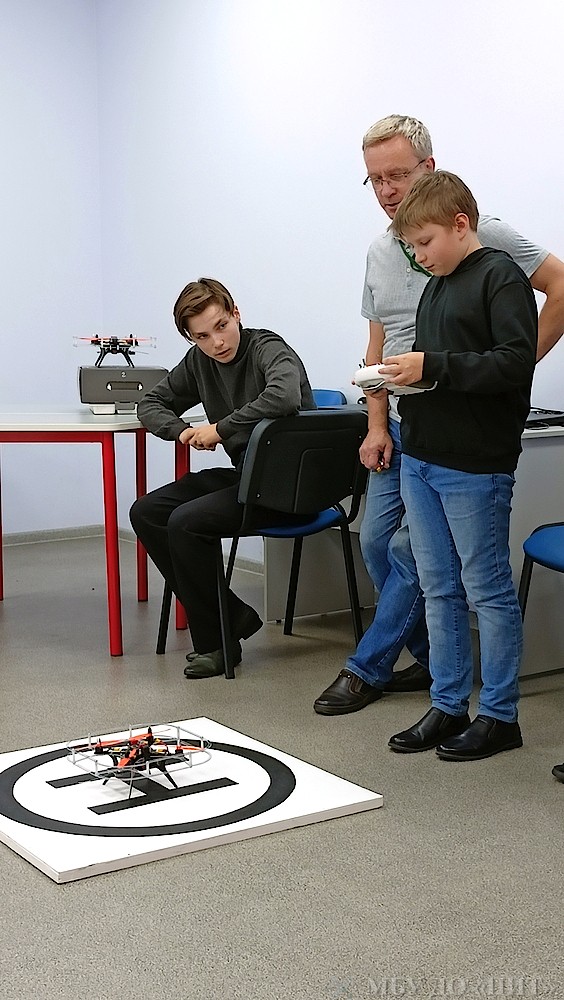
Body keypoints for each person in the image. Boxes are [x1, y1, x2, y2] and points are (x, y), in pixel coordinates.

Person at [314, 114, 564, 717]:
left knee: (443, 568)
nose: (386, 190)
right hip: (409, 426)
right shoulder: (387, 255)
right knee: (384, 545)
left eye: (397, 175)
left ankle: (370, 666)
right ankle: (436, 673)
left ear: (429, 169)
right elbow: (380, 342)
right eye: (374, 179)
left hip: (465, 430)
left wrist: (502, 374)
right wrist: (377, 422)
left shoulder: (486, 242)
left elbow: (554, 294)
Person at [381, 170, 536, 759]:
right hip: (422, 456)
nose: (420, 257)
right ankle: (448, 705)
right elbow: (440, 367)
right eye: (412, 248)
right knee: (438, 587)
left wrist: (432, 366)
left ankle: (499, 715)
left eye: (425, 243)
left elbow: (512, 363)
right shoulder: (436, 286)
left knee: (486, 590)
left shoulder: (501, 277)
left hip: (474, 463)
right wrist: (402, 377)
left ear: (461, 224)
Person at [130, 277, 316, 678]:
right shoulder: (199, 362)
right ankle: (231, 614)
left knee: (187, 521)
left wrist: (220, 428)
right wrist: (180, 431)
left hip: (291, 485)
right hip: (247, 477)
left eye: (221, 326)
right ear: (191, 338)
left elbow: (283, 396)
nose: (217, 342)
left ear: (236, 314)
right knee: (147, 512)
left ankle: (215, 643)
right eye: (202, 336)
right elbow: (150, 402)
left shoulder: (268, 347)